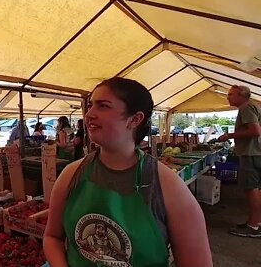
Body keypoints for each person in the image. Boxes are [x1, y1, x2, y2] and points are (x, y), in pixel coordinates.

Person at [43, 77, 212, 267]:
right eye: (90, 105)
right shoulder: (71, 174)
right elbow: (52, 237)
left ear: (135, 119)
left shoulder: (169, 187)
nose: (89, 114)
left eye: (103, 106)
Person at [218, 85, 261, 238]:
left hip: (251, 154)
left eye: (231, 94)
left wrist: (229, 136)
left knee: (251, 189)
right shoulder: (253, 106)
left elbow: (255, 131)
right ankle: (256, 222)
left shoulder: (246, 108)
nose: (228, 97)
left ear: (241, 95)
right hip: (257, 153)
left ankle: (253, 226)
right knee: (256, 189)